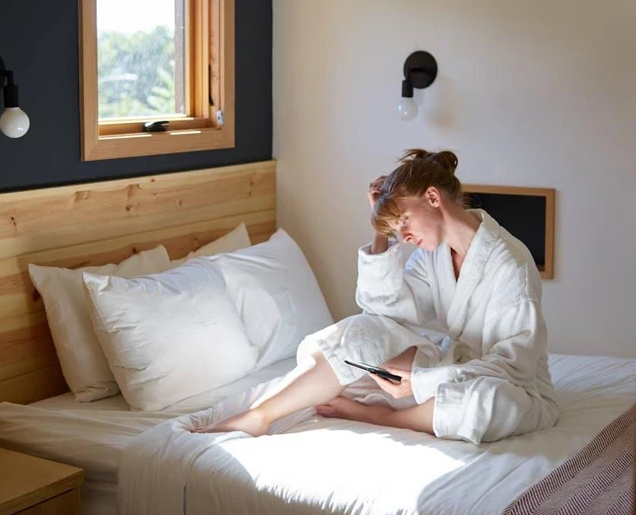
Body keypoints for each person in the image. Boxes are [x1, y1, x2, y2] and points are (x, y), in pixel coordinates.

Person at [197, 149, 559, 444]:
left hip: (512, 385)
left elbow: (513, 367)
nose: (405, 237)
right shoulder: (435, 254)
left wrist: (421, 382)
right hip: (454, 367)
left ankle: (386, 417)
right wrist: (380, 234)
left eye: (404, 223)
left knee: (486, 403)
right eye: (396, 231)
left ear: (433, 197)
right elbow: (385, 312)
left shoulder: (509, 262)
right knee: (361, 332)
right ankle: (261, 415)